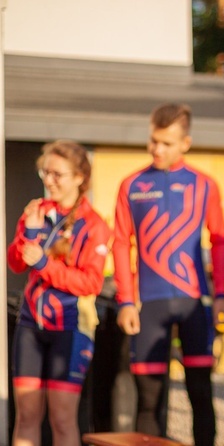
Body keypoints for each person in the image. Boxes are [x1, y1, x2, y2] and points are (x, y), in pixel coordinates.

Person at [113, 103, 224, 446]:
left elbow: (220, 240)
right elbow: (121, 243)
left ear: (185, 143)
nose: (157, 149)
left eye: (166, 143)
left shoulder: (204, 184)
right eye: (153, 141)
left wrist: (220, 294)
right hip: (149, 303)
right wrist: (125, 301)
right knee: (148, 400)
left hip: (194, 303)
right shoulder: (132, 184)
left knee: (200, 393)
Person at [8, 140, 111, 446]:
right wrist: (29, 233)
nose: (48, 180)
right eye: (45, 172)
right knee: (25, 416)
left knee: (62, 419)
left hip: (70, 327)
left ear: (80, 177)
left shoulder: (94, 225)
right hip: (30, 325)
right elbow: (14, 263)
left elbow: (91, 283)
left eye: (57, 174)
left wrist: (43, 261)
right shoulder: (37, 211)